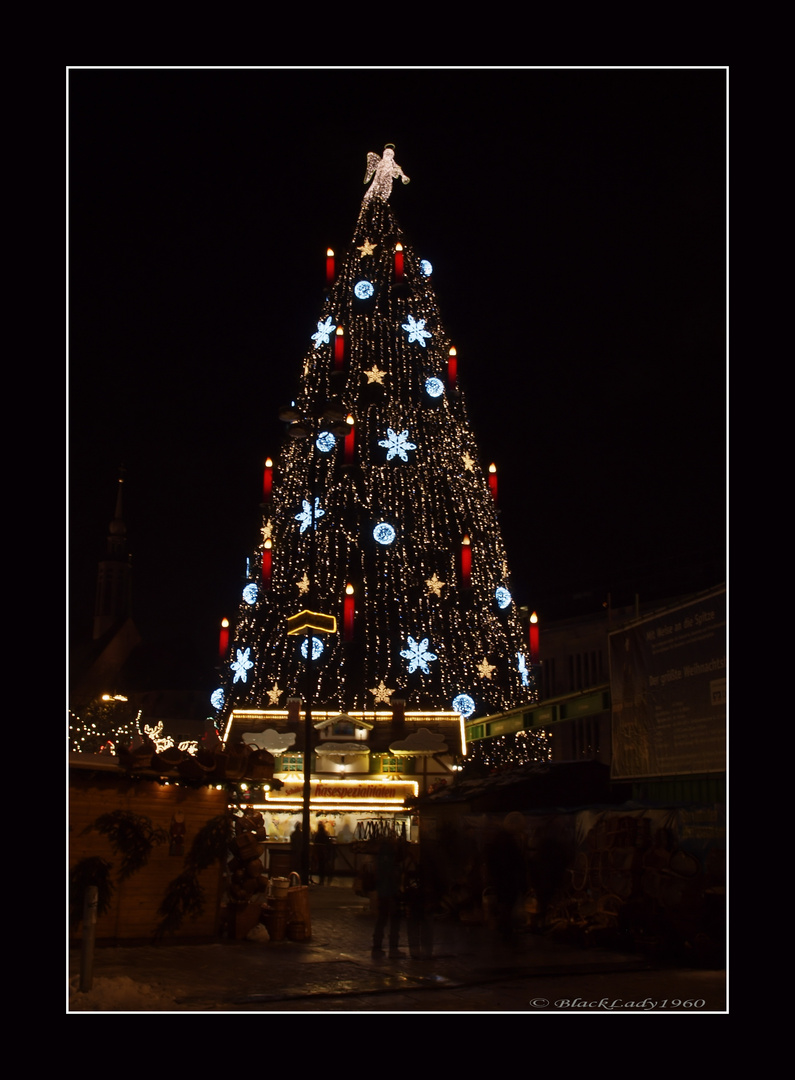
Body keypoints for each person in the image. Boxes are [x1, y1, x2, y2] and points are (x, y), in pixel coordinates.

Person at [371, 837, 405, 959]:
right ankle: (391, 947)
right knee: (393, 919)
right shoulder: (389, 858)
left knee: (383, 919)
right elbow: (390, 875)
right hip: (389, 891)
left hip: (384, 891)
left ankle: (378, 946)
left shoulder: (382, 857)